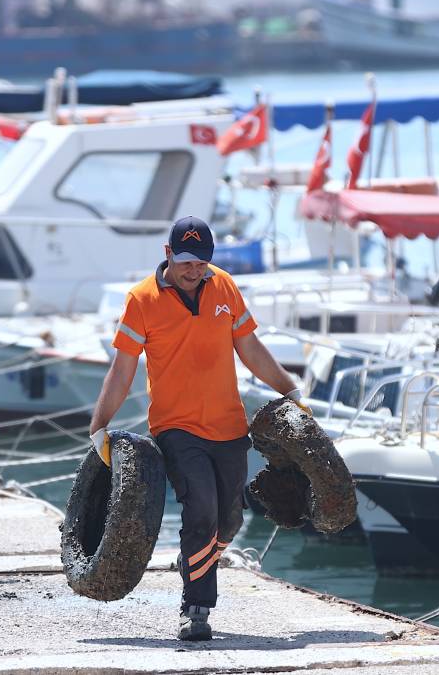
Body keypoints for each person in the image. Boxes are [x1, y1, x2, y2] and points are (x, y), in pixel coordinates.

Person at [87, 215, 310, 642]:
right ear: (168, 254)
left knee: (229, 521)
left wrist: (290, 389)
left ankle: (196, 560)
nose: (195, 271)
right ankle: (197, 608)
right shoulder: (141, 299)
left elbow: (250, 349)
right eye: (187, 261)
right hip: (176, 427)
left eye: (202, 262)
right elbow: (122, 369)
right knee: (201, 509)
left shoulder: (223, 285)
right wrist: (100, 425)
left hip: (228, 426)